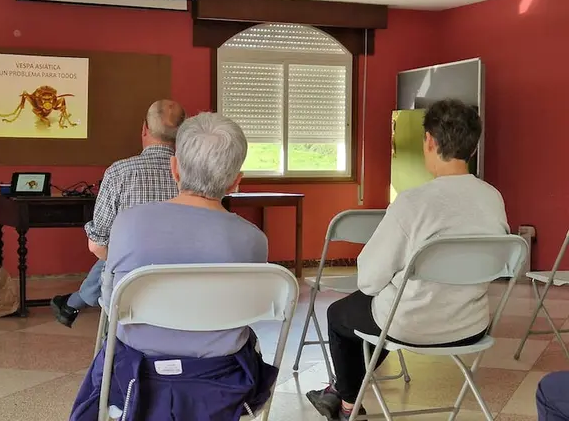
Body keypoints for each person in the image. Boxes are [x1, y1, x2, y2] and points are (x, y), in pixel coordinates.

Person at [306, 99, 509, 420]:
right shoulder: (492, 198)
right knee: (382, 312)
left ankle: (348, 406)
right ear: (473, 147)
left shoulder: (413, 202)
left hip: (409, 326)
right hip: (471, 327)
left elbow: (369, 279)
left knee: (342, 314)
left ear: (429, 141)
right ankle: (339, 390)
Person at [70, 112, 276, 420]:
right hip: (222, 382)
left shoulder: (128, 224)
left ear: (174, 168)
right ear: (236, 182)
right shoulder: (253, 239)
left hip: (136, 377)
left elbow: (112, 303)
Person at [50, 99, 185, 328]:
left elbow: (97, 245)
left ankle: (74, 303)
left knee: (115, 252)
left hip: (128, 288)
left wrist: (127, 260)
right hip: (183, 284)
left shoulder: (119, 173)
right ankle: (73, 302)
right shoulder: (194, 176)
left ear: (144, 129)